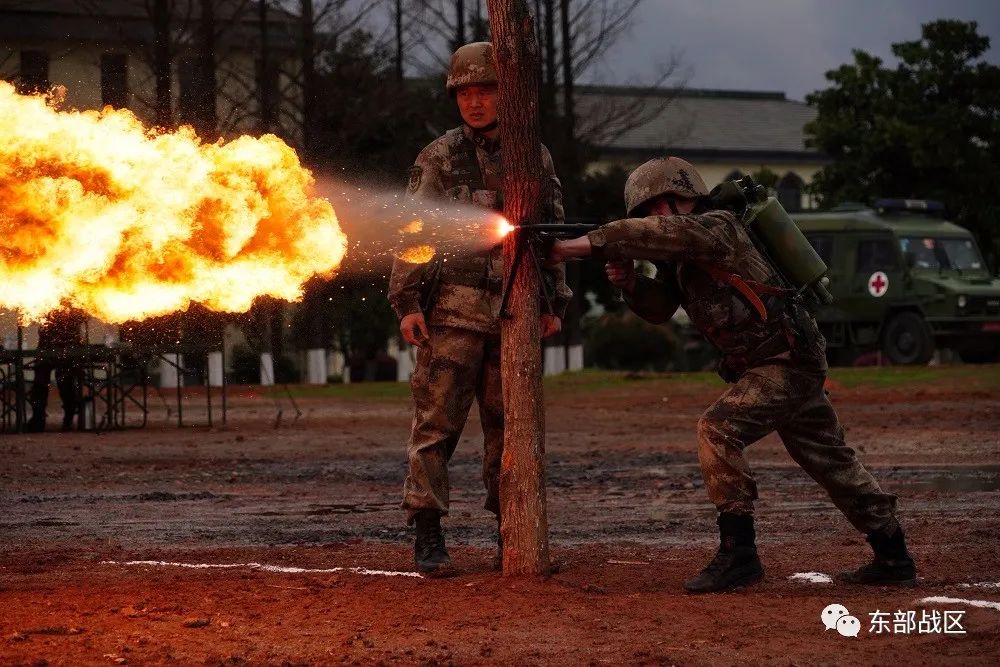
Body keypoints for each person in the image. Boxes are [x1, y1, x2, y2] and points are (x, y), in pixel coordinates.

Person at [547, 157, 916, 593]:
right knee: (829, 460)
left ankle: (739, 553)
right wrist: (630, 284)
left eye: (655, 207)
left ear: (682, 197)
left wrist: (573, 247)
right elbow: (660, 309)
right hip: (774, 362)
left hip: (785, 360)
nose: (651, 218)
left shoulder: (716, 227)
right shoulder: (682, 256)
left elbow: (655, 234)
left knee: (718, 429)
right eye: (644, 212)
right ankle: (892, 552)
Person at [388, 41, 572, 574]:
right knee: (435, 427)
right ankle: (428, 534)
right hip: (452, 314)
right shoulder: (439, 156)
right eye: (464, 93)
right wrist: (407, 301)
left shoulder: (532, 156)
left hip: (515, 315)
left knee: (508, 432)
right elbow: (415, 230)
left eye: (485, 91)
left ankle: (510, 534)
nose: (474, 102)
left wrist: (554, 300)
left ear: (504, 94)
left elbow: (552, 232)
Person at [26, 309, 87, 432]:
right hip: (46, 347)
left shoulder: (75, 303)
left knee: (65, 381)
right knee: (40, 381)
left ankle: (69, 418)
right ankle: (38, 418)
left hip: (68, 349)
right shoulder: (46, 302)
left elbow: (84, 317)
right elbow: (37, 314)